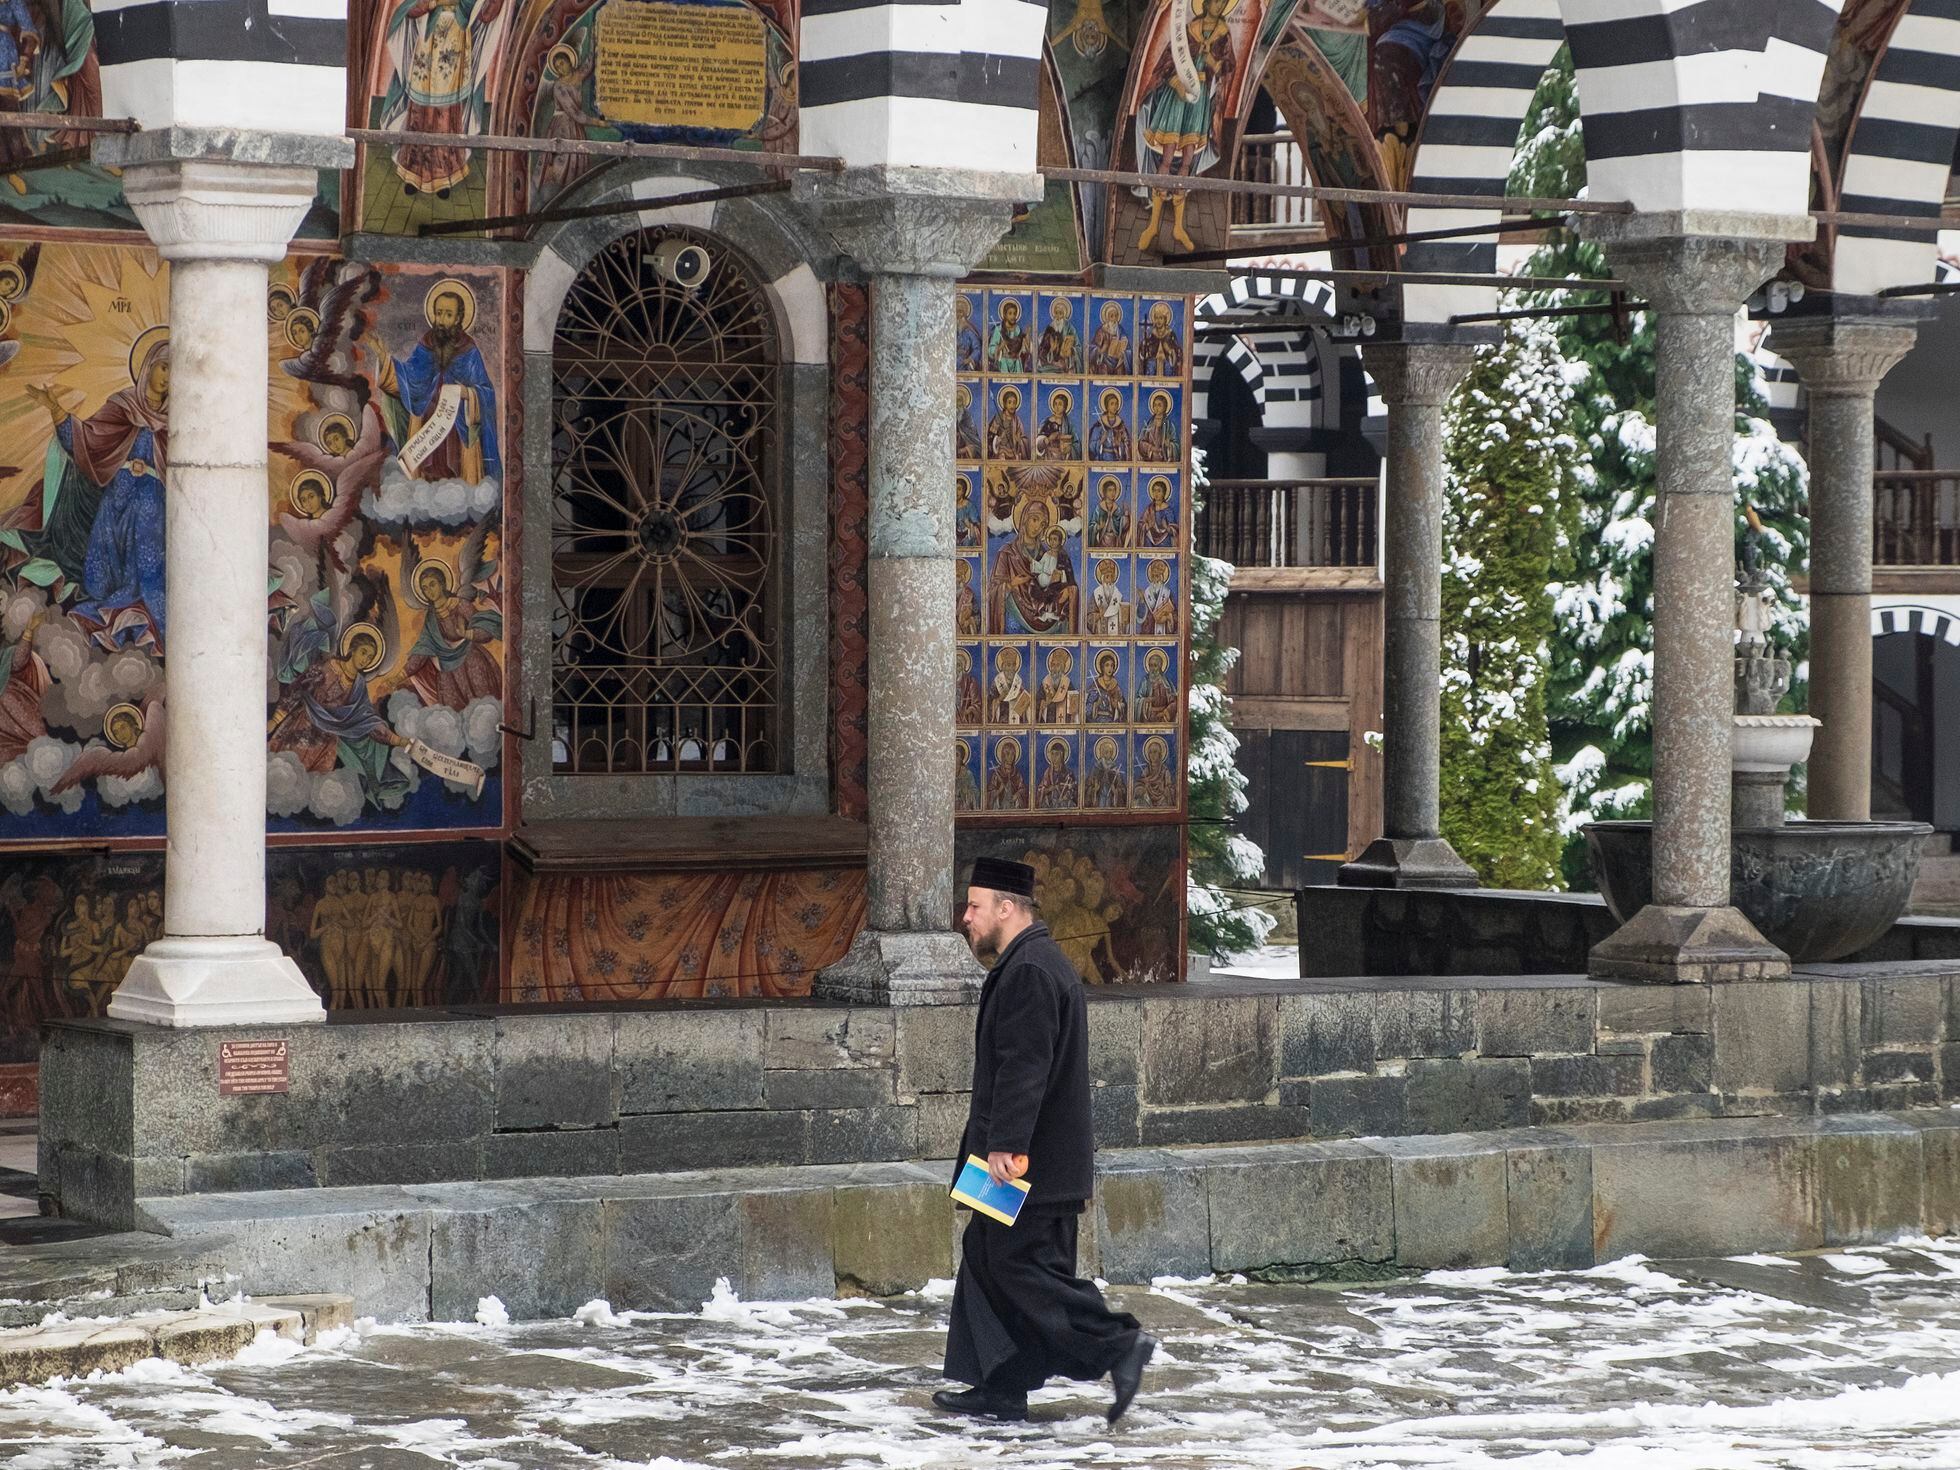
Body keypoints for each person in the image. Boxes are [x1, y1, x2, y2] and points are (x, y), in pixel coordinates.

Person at [937, 858, 1154, 1424]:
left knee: (1021, 1267)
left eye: (975, 906)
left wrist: (1004, 1146)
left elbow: (1024, 1065)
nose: (967, 917)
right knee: (987, 1256)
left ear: (1007, 908)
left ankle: (1118, 1342)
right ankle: (1002, 1385)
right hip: (1023, 1160)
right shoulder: (1030, 962)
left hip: (1025, 1164)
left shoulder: (1031, 969)